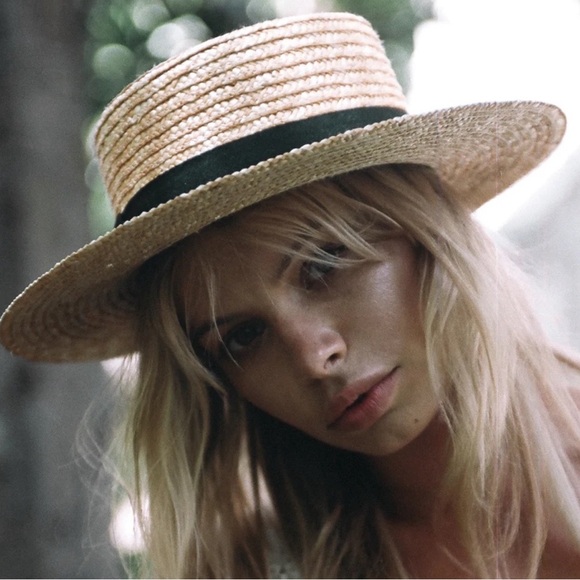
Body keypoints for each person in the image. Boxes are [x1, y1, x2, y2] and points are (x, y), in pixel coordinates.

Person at [1, 11, 579, 578]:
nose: (312, 356)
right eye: (243, 337)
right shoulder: (251, 567)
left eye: (324, 264)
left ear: (426, 232)